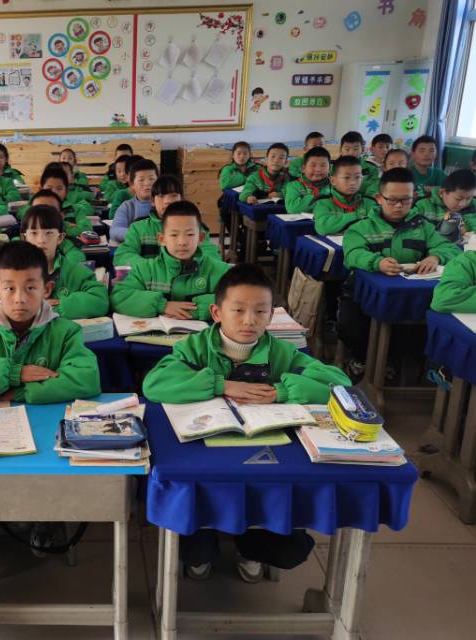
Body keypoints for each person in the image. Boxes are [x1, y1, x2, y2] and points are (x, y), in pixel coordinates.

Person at [143, 264, 349, 582]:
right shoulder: (195, 348)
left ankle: (252, 547)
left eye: (260, 311)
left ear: (271, 316)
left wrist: (283, 391)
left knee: (285, 541)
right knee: (194, 529)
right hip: (206, 450)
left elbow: (338, 385)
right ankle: (202, 546)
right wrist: (220, 385)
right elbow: (155, 383)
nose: (249, 320)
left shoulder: (281, 353)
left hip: (265, 451)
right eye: (238, 310)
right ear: (217, 312)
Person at [0, 240, 100, 404]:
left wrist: (21, 393)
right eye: (10, 288)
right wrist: (14, 373)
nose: (20, 299)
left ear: (46, 289)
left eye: (30, 288)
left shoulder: (66, 332)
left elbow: (87, 379)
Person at [338, 167, 461, 376]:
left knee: (420, 328)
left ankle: (396, 362)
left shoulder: (422, 226)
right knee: (352, 326)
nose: (399, 206)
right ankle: (362, 357)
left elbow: (449, 248)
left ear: (414, 198)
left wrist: (435, 257)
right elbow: (353, 254)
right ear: (379, 198)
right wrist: (377, 262)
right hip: (362, 293)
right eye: (392, 200)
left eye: (405, 200)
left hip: (409, 294)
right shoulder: (360, 227)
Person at [0, 205, 108, 319]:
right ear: (24, 237)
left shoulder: (73, 271)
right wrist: (32, 307)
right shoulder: (11, 269)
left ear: (60, 238)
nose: (41, 240)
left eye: (49, 233)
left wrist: (58, 307)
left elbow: (100, 301)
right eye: (34, 233)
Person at [111, 201, 231, 321]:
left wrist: (198, 309)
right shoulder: (145, 269)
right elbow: (119, 296)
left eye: (190, 234)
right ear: (162, 239)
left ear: (200, 238)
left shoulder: (219, 270)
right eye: (174, 235)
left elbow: (237, 298)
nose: (182, 242)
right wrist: (162, 305)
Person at [114, 175, 218, 267]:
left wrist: (189, 267)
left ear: (181, 199)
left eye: (174, 196)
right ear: (152, 201)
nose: (168, 201)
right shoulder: (138, 228)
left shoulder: (196, 227)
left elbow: (210, 255)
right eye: (161, 196)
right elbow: (123, 255)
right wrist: (154, 268)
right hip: (150, 280)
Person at [313, 156, 377, 235]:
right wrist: (358, 216)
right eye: (347, 177)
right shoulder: (323, 203)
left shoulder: (369, 203)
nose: (353, 182)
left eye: (357, 177)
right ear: (333, 181)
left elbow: (378, 227)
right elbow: (323, 228)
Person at [410, 169, 476, 244]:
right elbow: (413, 231)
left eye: (468, 198)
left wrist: (465, 228)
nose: (463, 204)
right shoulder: (423, 206)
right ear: (442, 192)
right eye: (458, 199)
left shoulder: (473, 206)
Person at [36, 165, 94, 237]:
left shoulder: (75, 209)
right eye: (49, 188)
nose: (54, 192)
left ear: (66, 191)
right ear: (41, 189)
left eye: (59, 188)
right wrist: (65, 225)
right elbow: (31, 231)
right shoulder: (34, 208)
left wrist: (62, 226)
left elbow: (86, 229)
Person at [110, 158, 158, 243]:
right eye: (141, 180)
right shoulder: (127, 207)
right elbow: (115, 231)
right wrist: (140, 234)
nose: (147, 183)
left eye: (151, 179)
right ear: (132, 184)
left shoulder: (165, 204)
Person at [284, 146, 332, 213]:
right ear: (303, 168)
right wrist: (319, 198)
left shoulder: (335, 186)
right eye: (313, 165)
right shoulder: (293, 186)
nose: (318, 169)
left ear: (329, 169)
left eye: (323, 166)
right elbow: (293, 208)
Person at [338, 131, 379, 196]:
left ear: (362, 150)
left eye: (356, 149)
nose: (351, 153)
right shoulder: (332, 168)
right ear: (340, 149)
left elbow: (372, 191)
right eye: (347, 149)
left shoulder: (372, 169)